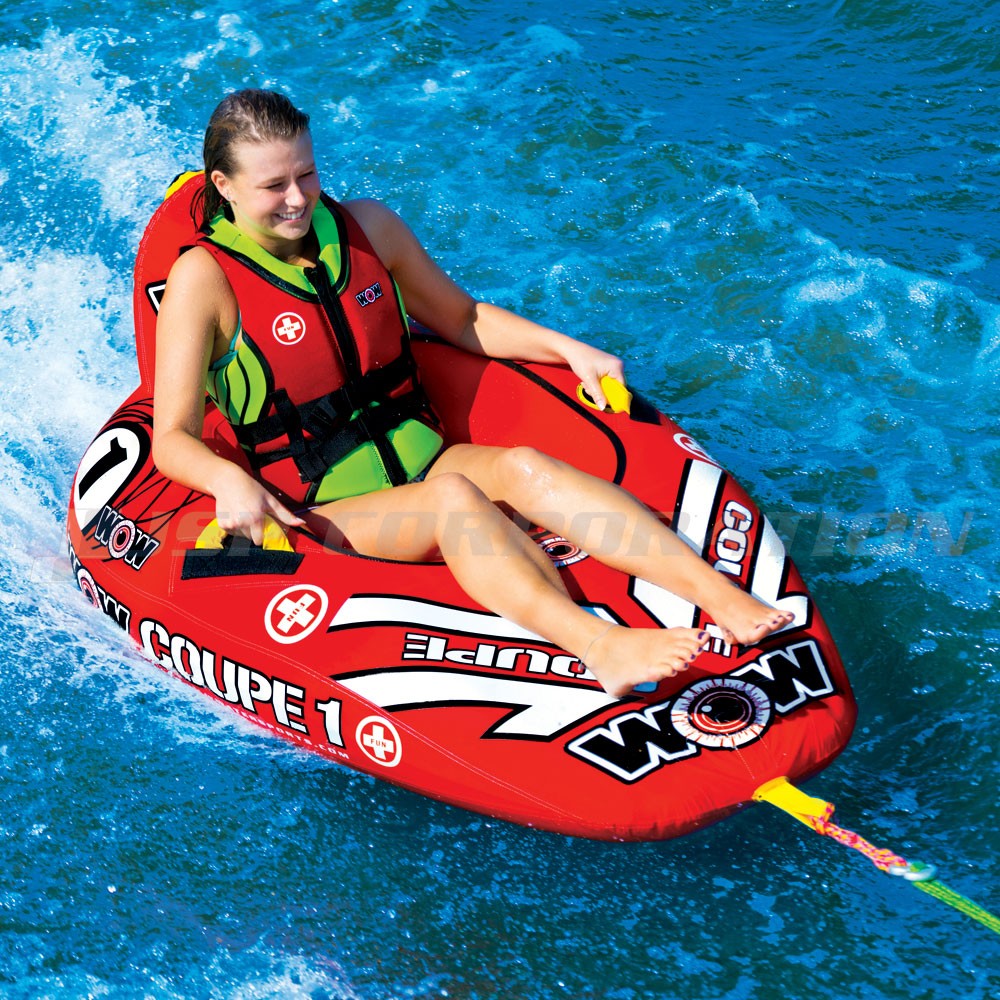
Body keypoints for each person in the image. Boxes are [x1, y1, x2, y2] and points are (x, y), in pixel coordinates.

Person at [152, 89, 792, 699]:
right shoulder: (203, 280)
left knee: (524, 466)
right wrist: (229, 481)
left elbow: (460, 318)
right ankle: (601, 646)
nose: (298, 198)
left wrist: (569, 349)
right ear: (223, 186)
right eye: (274, 186)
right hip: (324, 510)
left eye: (307, 174)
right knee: (453, 499)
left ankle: (721, 597)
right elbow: (172, 438)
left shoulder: (368, 228)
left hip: (426, 456)